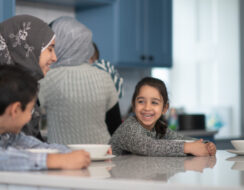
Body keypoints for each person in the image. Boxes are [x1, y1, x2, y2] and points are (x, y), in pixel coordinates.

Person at [39, 16, 122, 144]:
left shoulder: (47, 78)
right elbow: (115, 127)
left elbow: (26, 123)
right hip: (102, 156)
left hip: (62, 158)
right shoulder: (104, 77)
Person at [0, 65, 90, 171]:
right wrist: (56, 160)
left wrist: (78, 154)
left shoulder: (9, 135)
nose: (30, 117)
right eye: (30, 110)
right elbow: (4, 159)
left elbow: (38, 147)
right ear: (15, 110)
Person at [109, 77, 217, 156]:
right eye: (141, 101)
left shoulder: (159, 127)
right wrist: (187, 147)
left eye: (154, 102)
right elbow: (148, 146)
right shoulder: (129, 127)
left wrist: (204, 144)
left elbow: (179, 139)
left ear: (165, 108)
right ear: (133, 104)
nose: (147, 108)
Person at [0, 15, 58, 141]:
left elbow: (26, 143)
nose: (54, 58)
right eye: (50, 49)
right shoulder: (5, 92)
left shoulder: (24, 89)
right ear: (26, 48)